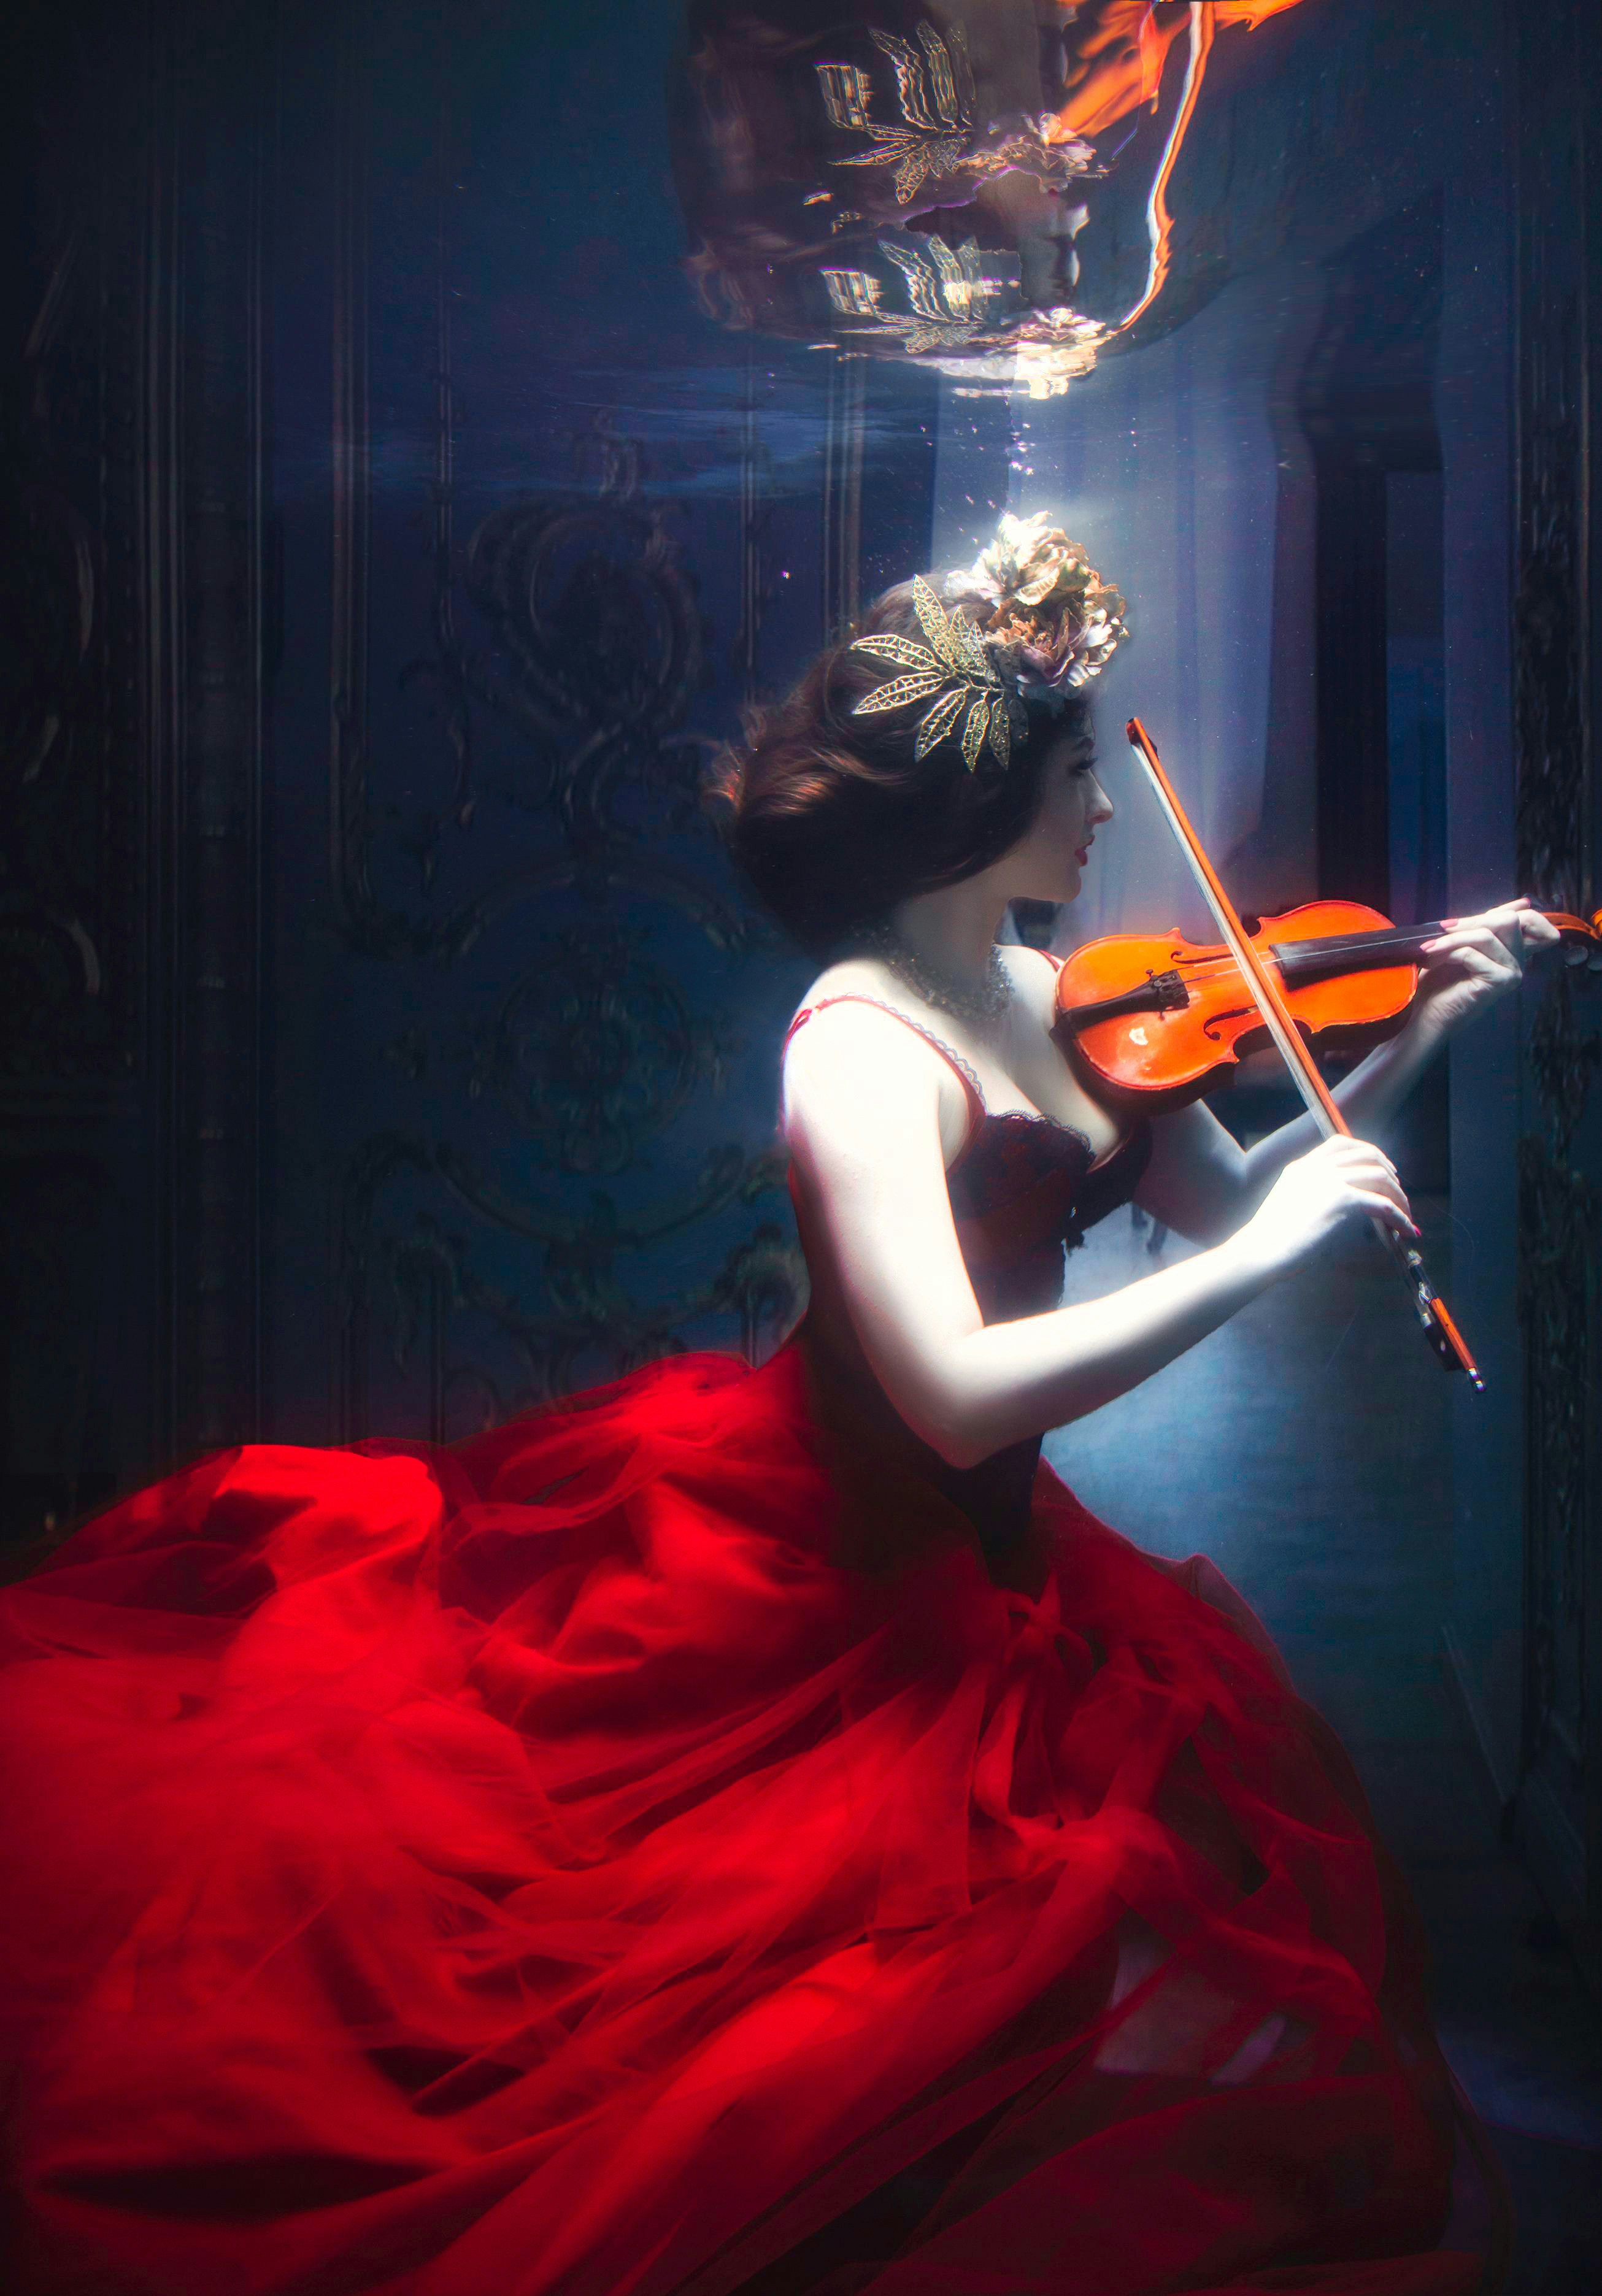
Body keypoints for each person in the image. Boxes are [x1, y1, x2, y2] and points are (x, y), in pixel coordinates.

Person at [0, 512, 1554, 2296]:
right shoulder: (857, 1050)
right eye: (1074, 770)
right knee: (676, 2003)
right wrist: (1270, 1254)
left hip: (987, 1562)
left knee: (1008, 1960)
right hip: (816, 1566)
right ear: (978, 802)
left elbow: (1235, 1187)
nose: (1108, 806)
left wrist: (1419, 1030)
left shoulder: (1063, 993)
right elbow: (955, 1395)